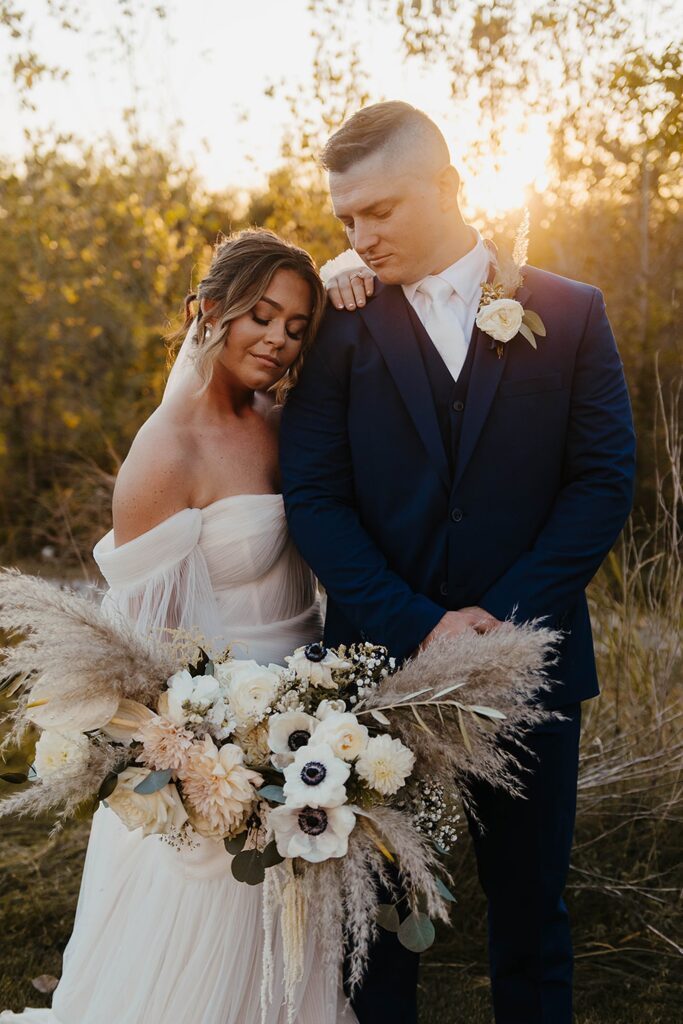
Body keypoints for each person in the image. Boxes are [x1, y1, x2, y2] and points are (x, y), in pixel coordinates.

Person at [280, 101, 636, 1024]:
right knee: (381, 925)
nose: (361, 234)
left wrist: (498, 624)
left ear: (446, 185)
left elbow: (601, 480)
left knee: (529, 917)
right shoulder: (338, 323)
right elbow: (314, 497)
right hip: (378, 674)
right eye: (345, 219)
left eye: (380, 211)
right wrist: (419, 625)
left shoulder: (570, 310)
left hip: (532, 670)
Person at [1, 229, 357, 1024]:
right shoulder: (164, 453)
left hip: (310, 723)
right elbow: (140, 656)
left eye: (297, 326)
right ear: (209, 309)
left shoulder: (284, 417)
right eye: (261, 315)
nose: (278, 339)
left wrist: (351, 272)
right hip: (215, 742)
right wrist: (208, 761)